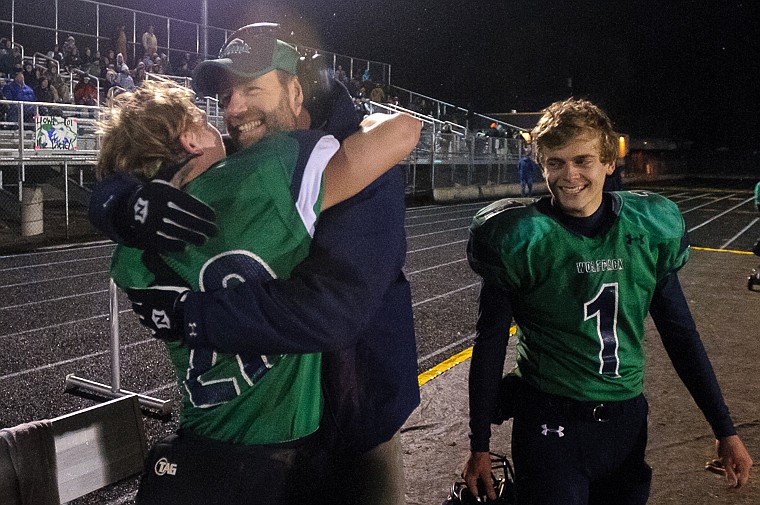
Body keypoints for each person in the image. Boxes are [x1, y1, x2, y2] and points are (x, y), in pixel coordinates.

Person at [89, 23, 421, 505]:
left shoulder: (291, 167)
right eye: (224, 97)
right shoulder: (261, 171)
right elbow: (405, 129)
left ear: (294, 87)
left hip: (355, 415)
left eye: (250, 88)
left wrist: (191, 316)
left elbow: (334, 313)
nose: (232, 110)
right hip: (279, 441)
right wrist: (119, 204)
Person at [463, 98, 753, 504]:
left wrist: (725, 429)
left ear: (608, 162)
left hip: (626, 423)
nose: (570, 175)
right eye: (556, 163)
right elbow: (490, 342)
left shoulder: (646, 230)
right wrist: (479, 443)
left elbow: (681, 334)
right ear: (543, 166)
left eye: (582, 160)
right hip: (551, 423)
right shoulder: (520, 239)